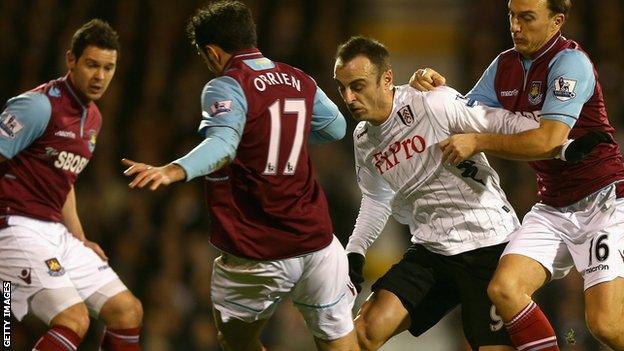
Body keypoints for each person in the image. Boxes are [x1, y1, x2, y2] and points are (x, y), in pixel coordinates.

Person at [121, 1, 359, 350]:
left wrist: (174, 170)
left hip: (259, 250)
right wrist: (282, 139)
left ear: (212, 52)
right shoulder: (297, 77)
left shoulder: (227, 86)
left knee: (236, 340)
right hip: (318, 242)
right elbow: (336, 128)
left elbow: (223, 146)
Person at [410, 0, 624, 350]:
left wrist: (478, 141)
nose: (515, 26)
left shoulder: (571, 63)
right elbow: (468, 113)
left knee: (606, 325)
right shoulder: (504, 65)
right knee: (504, 288)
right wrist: (433, 89)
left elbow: (549, 140)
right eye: (511, 15)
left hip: (603, 202)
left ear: (557, 21)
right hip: (554, 205)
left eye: (526, 17)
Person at [333, 35, 556, 351]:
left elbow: (501, 123)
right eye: (341, 88)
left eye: (357, 86)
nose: (349, 96)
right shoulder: (363, 139)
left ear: (386, 79)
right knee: (363, 333)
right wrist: (355, 250)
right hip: (432, 250)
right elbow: (376, 196)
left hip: (489, 244)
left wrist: (555, 131)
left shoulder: (432, 102)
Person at [0, 19, 143, 351]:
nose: (100, 76)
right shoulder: (38, 106)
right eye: (92, 65)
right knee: (74, 319)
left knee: (127, 311)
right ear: (71, 60)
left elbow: (64, 180)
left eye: (108, 68)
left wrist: (79, 238)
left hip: (54, 231)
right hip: (15, 225)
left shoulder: (93, 118)